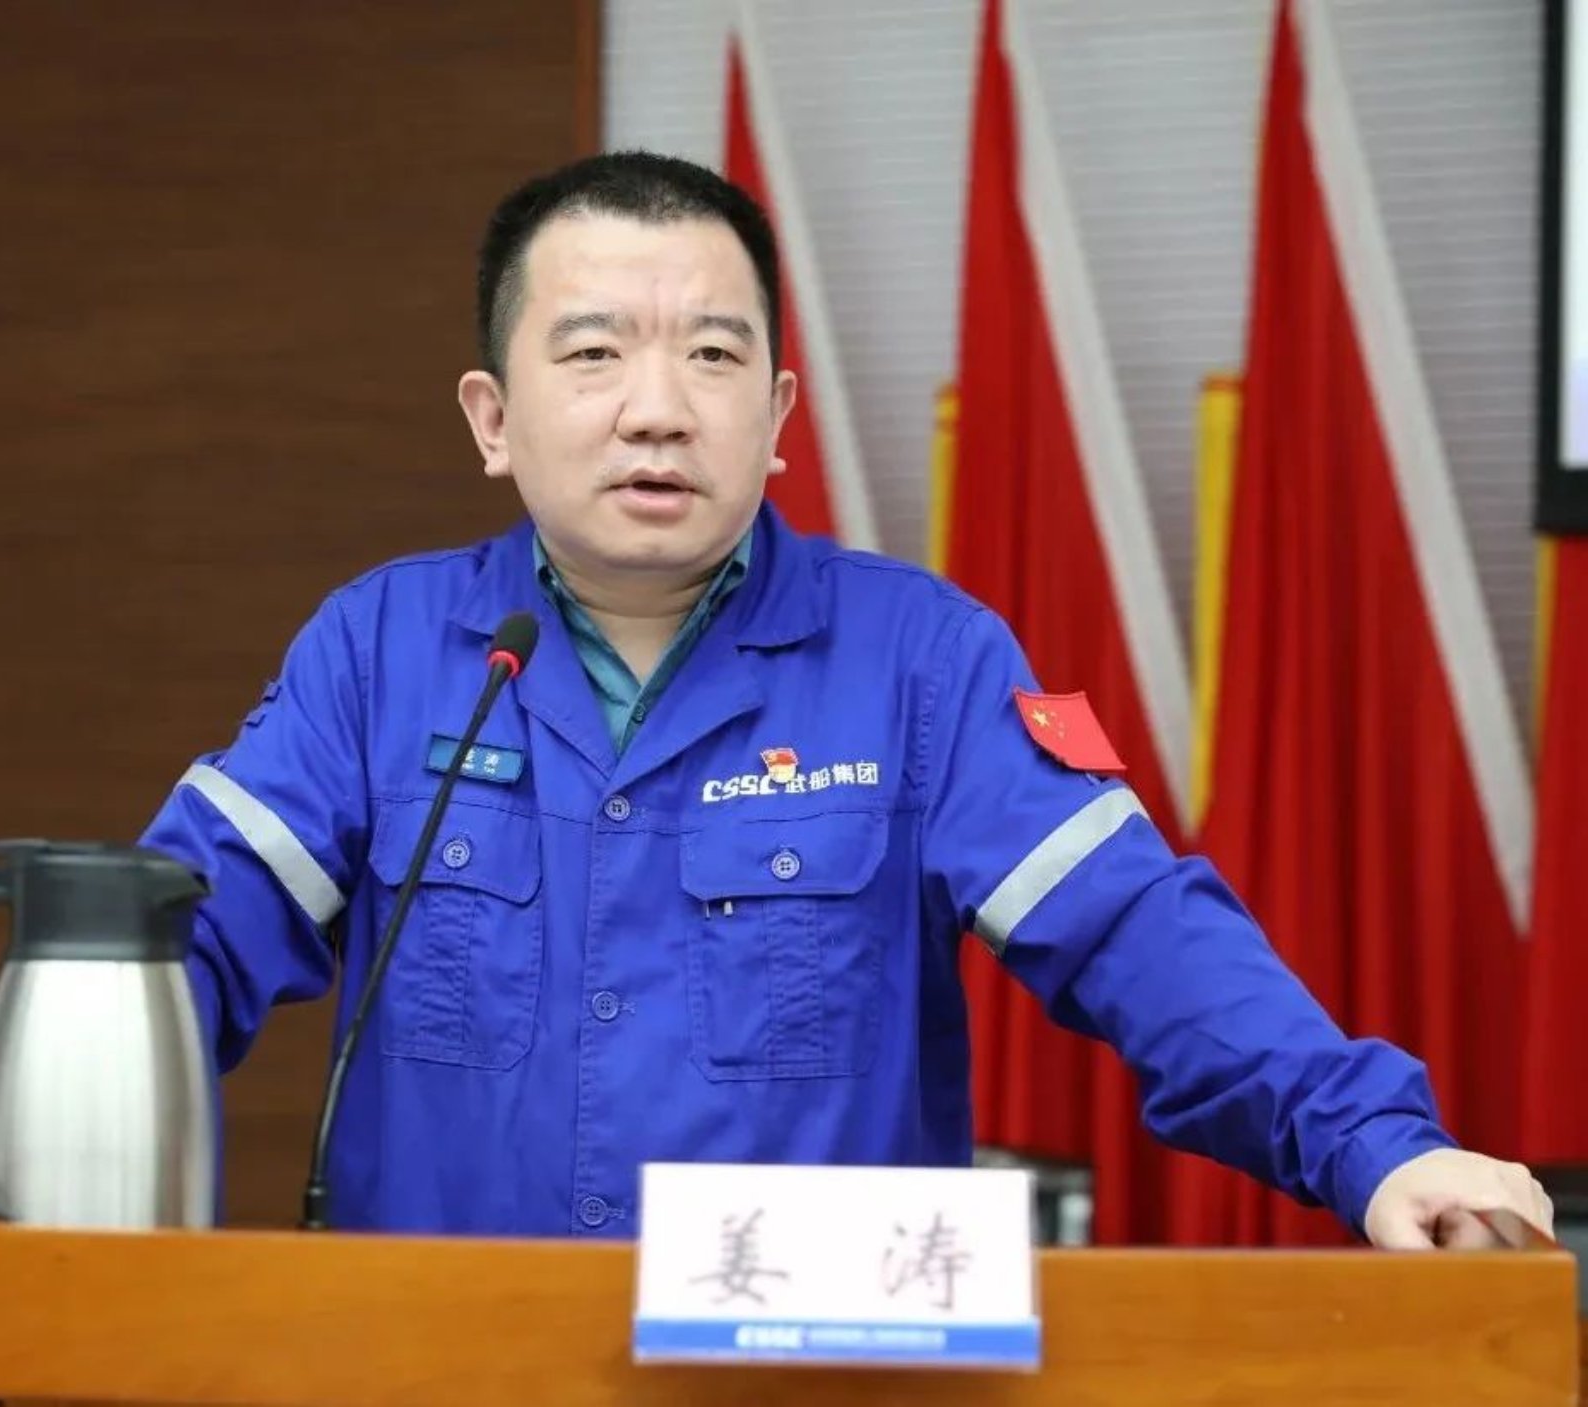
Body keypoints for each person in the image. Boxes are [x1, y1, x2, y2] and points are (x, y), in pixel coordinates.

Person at [123, 150, 1548, 1248]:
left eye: (713, 353)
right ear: (494, 418)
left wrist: (1379, 1148)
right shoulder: (380, 650)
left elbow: (1137, 933)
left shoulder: (923, 660)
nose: (658, 407)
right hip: (447, 1366)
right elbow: (177, 940)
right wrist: (65, 1121)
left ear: (778, 418)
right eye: (595, 352)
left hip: (809, 1375)